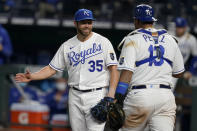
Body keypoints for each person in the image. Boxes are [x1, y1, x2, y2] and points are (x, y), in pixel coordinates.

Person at [15, 8, 119, 131]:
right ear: (75, 23)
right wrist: (32, 76)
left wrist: (110, 95)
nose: (87, 25)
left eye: (89, 22)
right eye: (83, 22)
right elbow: (51, 69)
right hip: (74, 95)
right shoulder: (67, 45)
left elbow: (114, 69)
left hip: (97, 94)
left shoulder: (103, 42)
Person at [114, 4, 184, 131]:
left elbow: (127, 73)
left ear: (137, 20)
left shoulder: (132, 39)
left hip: (140, 96)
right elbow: (179, 73)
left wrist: (118, 98)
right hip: (165, 97)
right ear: (153, 20)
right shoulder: (170, 39)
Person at [171, 17, 197, 88]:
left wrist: (191, 71)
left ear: (185, 28)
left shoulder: (191, 39)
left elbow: (195, 57)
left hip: (180, 68)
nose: (178, 29)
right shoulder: (169, 36)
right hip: (168, 67)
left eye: (180, 27)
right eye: (177, 27)